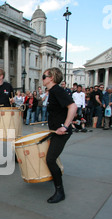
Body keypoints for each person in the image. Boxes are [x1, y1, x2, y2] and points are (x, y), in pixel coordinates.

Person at [41, 67, 77, 204]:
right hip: (55, 131)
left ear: (51, 77)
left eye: (44, 76)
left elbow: (73, 107)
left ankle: (59, 191)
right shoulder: (52, 91)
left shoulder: (57, 90)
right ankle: (54, 177)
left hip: (61, 132)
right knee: (50, 156)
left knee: (50, 159)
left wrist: (65, 126)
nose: (42, 78)